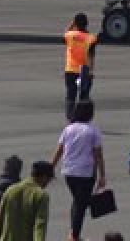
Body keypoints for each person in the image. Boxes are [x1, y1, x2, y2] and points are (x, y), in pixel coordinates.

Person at [51, 100, 106, 241]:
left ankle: (73, 232)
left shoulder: (69, 129)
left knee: (78, 201)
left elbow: (60, 149)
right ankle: (74, 236)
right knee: (81, 204)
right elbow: (98, 155)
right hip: (86, 173)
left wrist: (51, 167)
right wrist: (102, 175)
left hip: (69, 171)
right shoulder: (93, 130)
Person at [0, 160, 54, 241]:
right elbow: (40, 225)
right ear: (43, 177)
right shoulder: (41, 195)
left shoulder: (10, 190)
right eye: (49, 179)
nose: (49, 182)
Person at [64, 13, 98, 103]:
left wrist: (72, 24)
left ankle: (70, 115)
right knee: (84, 96)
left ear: (75, 23)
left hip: (70, 70)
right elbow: (91, 56)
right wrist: (91, 71)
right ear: (87, 23)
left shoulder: (70, 36)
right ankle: (82, 114)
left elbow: (66, 34)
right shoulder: (91, 38)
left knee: (71, 96)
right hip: (84, 71)